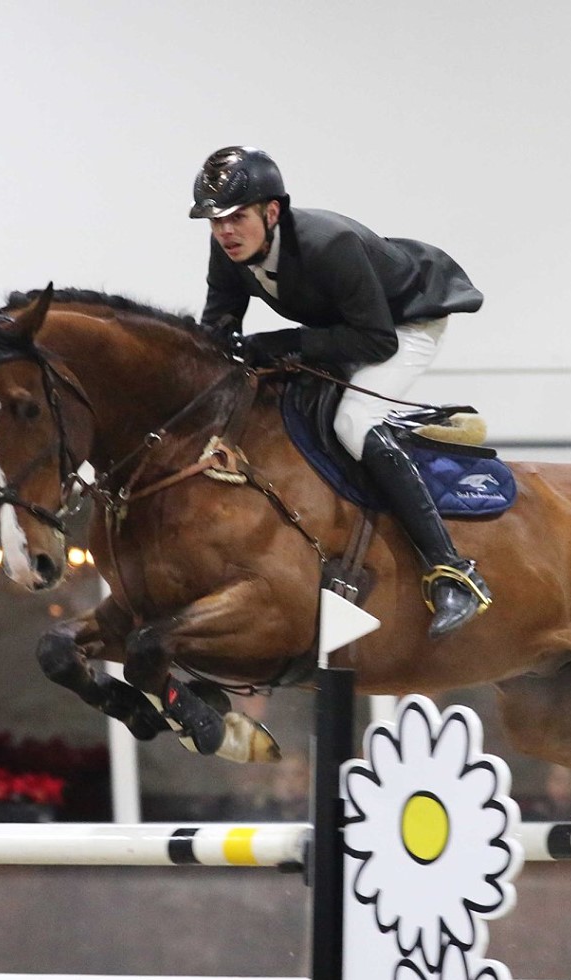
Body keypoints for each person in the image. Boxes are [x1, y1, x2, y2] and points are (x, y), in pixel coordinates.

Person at [189, 145, 491, 638]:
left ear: (271, 211)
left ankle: (453, 572)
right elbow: (218, 329)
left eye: (236, 217)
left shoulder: (329, 245)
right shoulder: (230, 252)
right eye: (214, 220)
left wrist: (283, 343)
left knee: (354, 422)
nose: (224, 230)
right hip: (347, 326)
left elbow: (376, 340)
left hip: (404, 323)